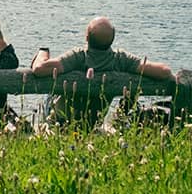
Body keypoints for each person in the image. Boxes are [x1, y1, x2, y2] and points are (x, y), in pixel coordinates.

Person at [28, 16, 175, 128]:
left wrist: (43, 51)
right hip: (93, 122)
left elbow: (39, 69)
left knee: (51, 93)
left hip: (60, 121)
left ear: (87, 37)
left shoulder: (79, 57)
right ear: (112, 39)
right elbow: (164, 71)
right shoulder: (120, 59)